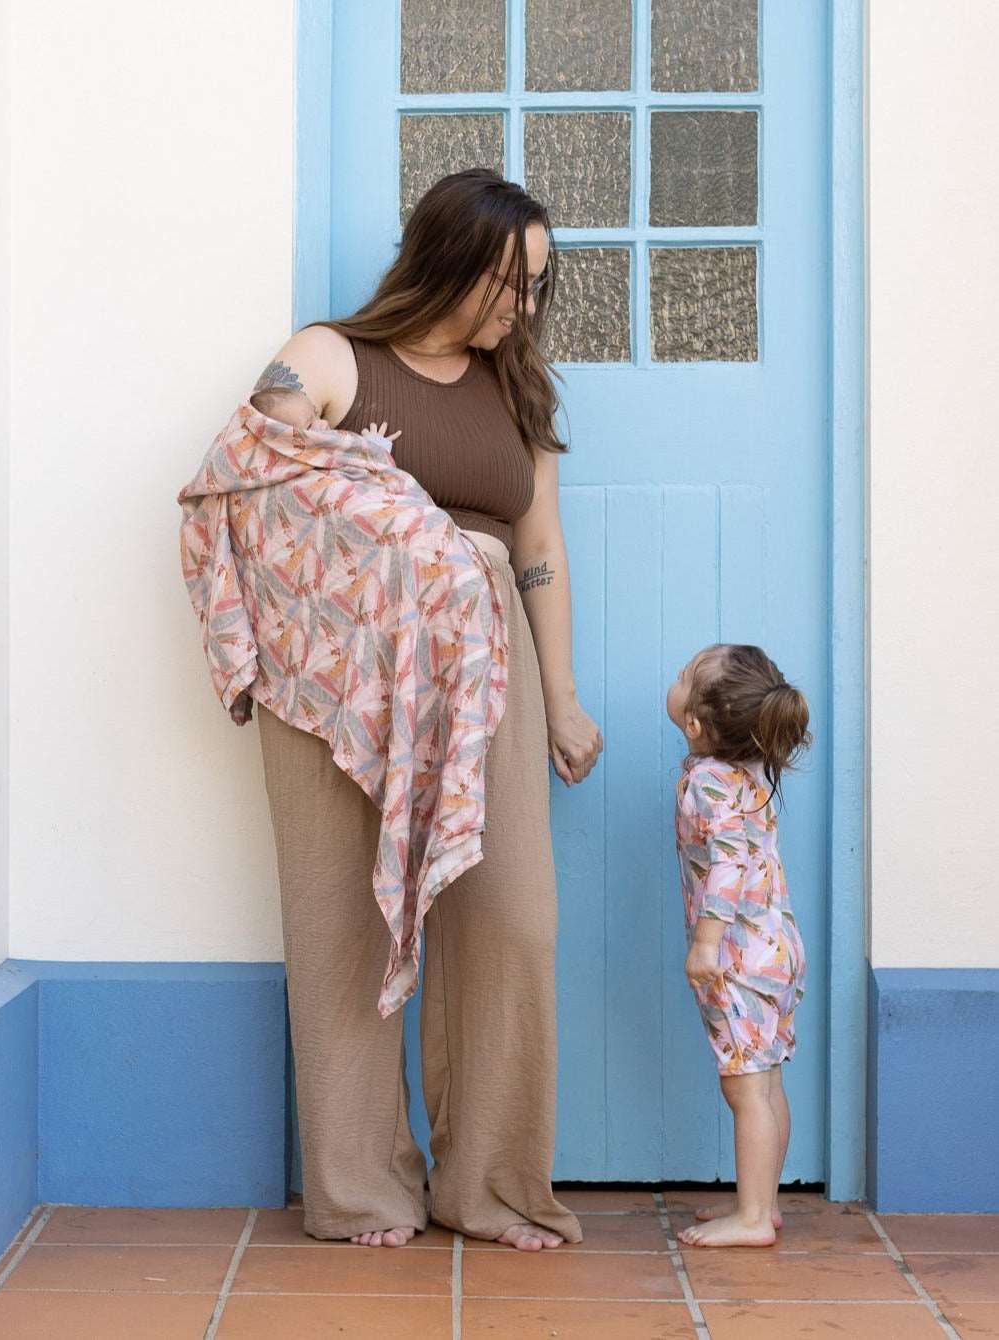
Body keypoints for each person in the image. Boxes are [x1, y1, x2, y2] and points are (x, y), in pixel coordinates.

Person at [249, 169, 603, 1251]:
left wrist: (560, 699)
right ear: (442, 259)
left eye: (537, 287)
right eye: (506, 282)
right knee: (340, 918)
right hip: (339, 663)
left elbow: (537, 551)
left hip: (480, 654)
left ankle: (486, 1184)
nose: (521, 309)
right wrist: (396, 524)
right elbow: (269, 435)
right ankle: (361, 1189)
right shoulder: (332, 352)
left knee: (510, 917)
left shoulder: (519, 392)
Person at [667, 644, 811, 1248]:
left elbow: (726, 865)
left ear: (697, 724)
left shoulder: (708, 780)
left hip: (738, 959)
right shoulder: (751, 770)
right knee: (768, 1082)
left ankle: (753, 1219)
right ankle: (764, 1203)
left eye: (683, 676)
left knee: (745, 1089)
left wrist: (706, 943)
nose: (674, 677)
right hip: (776, 947)